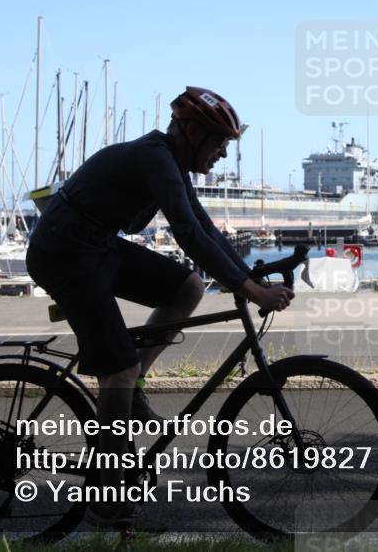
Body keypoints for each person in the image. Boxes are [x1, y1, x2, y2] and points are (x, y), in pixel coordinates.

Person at [25, 86, 295, 527]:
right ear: (190, 132)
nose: (222, 155)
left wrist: (247, 277)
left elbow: (206, 229)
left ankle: (131, 390)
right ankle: (107, 500)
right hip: (65, 252)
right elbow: (188, 235)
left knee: (188, 287)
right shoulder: (156, 157)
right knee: (118, 369)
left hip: (96, 245)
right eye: (220, 144)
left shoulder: (171, 163)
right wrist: (251, 292)